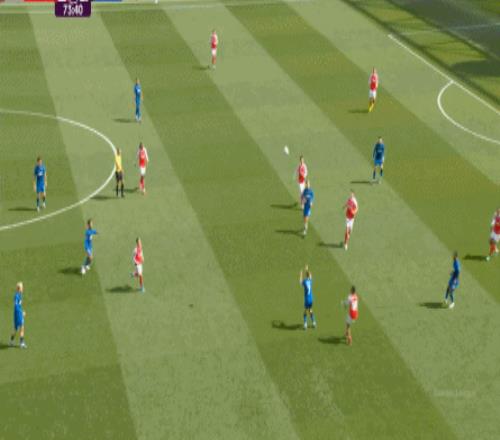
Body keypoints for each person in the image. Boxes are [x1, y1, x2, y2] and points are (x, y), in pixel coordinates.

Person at [9, 282, 27, 349]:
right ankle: (21, 343)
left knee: (16, 329)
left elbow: (19, 306)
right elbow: (16, 306)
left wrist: (21, 311)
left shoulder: (19, 295)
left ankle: (11, 341)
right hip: (18, 313)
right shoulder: (17, 296)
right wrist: (21, 313)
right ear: (19, 288)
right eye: (22, 287)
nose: (23, 288)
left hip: (16, 314)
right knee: (22, 327)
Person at [300, 265, 316, 330]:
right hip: (311, 299)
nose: (311, 276)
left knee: (305, 312)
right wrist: (306, 269)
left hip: (307, 299)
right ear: (309, 276)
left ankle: (305, 324)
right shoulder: (310, 281)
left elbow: (300, 282)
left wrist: (301, 274)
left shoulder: (305, 281)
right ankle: (314, 323)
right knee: (310, 310)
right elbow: (309, 274)